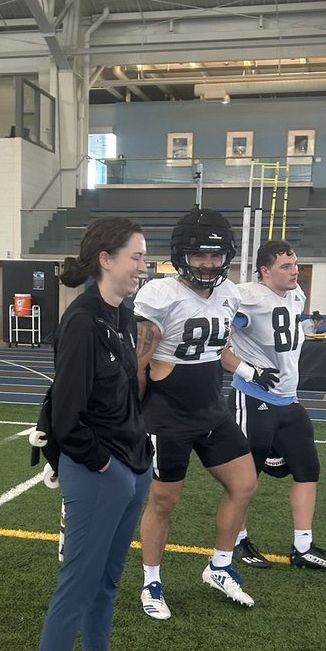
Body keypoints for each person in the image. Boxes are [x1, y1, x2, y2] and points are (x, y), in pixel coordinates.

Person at [32, 217, 153, 651]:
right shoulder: (80, 321)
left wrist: (139, 455)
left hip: (131, 463)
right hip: (99, 471)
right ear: (106, 258)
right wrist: (101, 463)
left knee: (107, 580)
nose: (142, 267)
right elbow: (66, 415)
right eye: (136, 257)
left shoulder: (123, 314)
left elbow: (125, 391)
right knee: (77, 587)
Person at [134, 207, 257, 620]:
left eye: (215, 256)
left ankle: (220, 567)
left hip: (212, 408)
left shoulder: (229, 294)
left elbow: (215, 349)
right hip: (168, 413)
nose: (208, 264)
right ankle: (151, 579)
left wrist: (246, 369)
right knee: (164, 502)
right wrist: (131, 416)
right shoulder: (160, 295)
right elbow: (139, 362)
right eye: (199, 255)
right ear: (181, 255)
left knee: (244, 484)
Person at [223, 239, 326, 571]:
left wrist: (305, 327)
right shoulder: (247, 298)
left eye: (295, 265)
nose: (294, 272)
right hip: (253, 398)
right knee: (245, 479)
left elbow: (284, 336)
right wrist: (250, 370)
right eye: (286, 267)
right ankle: (237, 540)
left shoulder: (295, 295)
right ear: (265, 270)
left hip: (288, 399)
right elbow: (216, 343)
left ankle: (303, 548)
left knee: (308, 471)